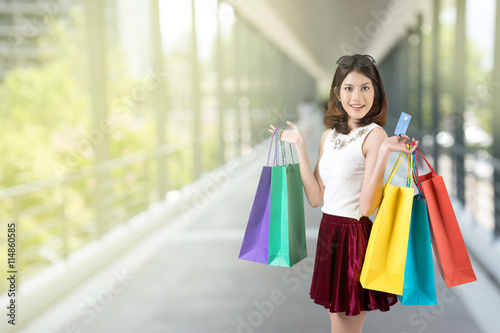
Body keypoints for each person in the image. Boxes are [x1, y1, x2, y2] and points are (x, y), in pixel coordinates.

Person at [269, 54, 418, 333]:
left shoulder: (375, 136)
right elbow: (315, 198)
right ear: (337, 93)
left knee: (346, 325)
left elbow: (366, 207)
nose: (357, 97)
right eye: (349, 88)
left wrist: (384, 151)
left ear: (376, 91)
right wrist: (300, 146)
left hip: (353, 236)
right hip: (330, 233)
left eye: (365, 87)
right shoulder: (329, 136)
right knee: (335, 321)